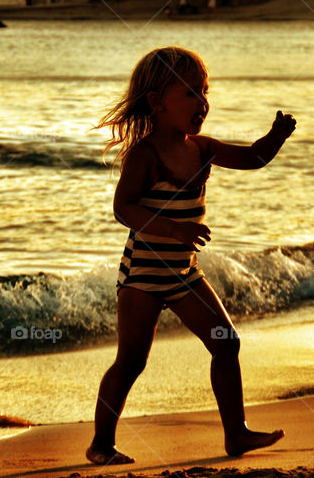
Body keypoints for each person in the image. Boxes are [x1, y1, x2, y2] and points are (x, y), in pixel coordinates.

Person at [88, 47, 295, 465]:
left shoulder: (203, 149)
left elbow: (252, 157)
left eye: (205, 92)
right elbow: (123, 209)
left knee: (226, 343)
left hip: (184, 273)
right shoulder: (144, 155)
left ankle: (235, 435)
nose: (202, 103)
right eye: (189, 93)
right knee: (130, 361)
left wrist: (275, 138)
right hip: (143, 276)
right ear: (156, 102)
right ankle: (101, 444)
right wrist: (175, 228)